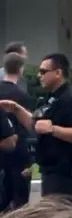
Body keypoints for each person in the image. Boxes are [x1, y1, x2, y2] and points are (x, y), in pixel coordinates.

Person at [0, 53, 72, 204]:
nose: (39, 75)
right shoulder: (51, 99)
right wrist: (16, 109)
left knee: (62, 212)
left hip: (66, 173)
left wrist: (54, 129)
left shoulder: (71, 99)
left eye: (43, 71)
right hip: (50, 170)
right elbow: (37, 125)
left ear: (58, 73)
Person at [0, 53, 35, 211]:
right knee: (20, 200)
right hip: (19, 152)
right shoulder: (21, 95)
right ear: (21, 69)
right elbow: (29, 125)